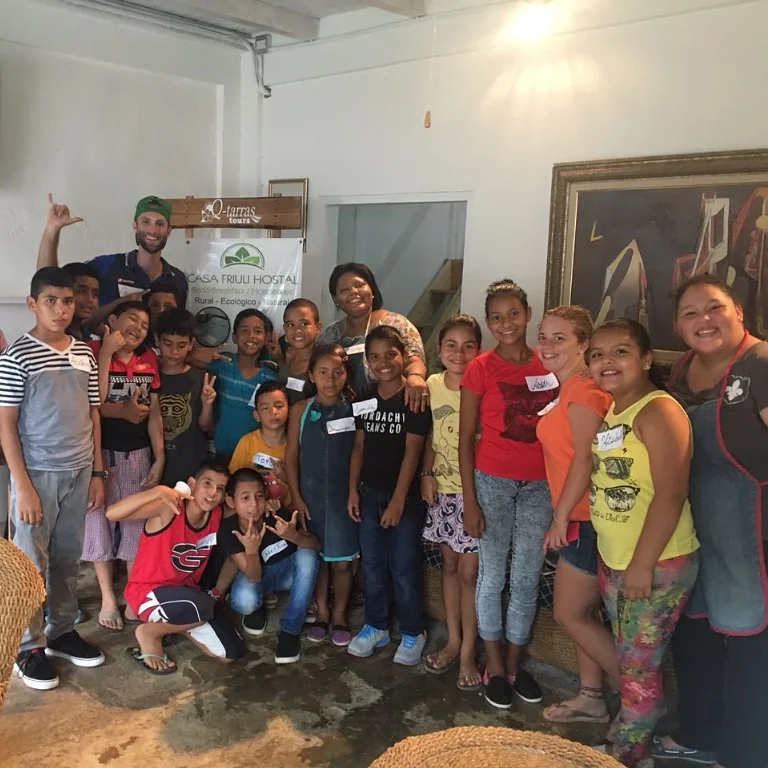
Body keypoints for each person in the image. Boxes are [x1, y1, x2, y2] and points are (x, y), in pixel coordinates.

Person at [653, 275, 768, 768]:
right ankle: (698, 733)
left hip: (751, 534)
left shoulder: (760, 364)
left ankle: (746, 754)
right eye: (690, 313)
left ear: (738, 311)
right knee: (694, 632)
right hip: (692, 527)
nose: (704, 320)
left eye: (714, 307)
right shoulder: (682, 369)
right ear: (679, 327)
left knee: (750, 644)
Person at [588, 318, 699, 768]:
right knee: (633, 664)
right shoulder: (617, 410)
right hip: (617, 559)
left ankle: (626, 757)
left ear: (646, 359)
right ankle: (629, 735)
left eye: (620, 352)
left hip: (655, 564)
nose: (607, 362)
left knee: (637, 671)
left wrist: (640, 564)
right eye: (597, 355)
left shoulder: (659, 411)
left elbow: (671, 495)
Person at [0, 267, 105, 690]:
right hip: (37, 477)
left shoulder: (84, 354)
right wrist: (22, 486)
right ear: (33, 304)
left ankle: (61, 631)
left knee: (67, 558)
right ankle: (26, 646)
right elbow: (6, 426)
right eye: (50, 301)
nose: (61, 310)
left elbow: (93, 413)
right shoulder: (18, 356)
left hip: (79, 472)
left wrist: (97, 471)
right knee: (29, 564)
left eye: (67, 302)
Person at [459, 279, 557, 709]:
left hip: (541, 484)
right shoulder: (480, 368)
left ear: (528, 314)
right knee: (492, 575)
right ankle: (494, 665)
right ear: (488, 322)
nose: (506, 323)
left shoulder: (548, 364)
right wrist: (470, 502)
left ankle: (516, 664)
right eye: (496, 317)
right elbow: (465, 438)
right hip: (492, 481)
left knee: (526, 577)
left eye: (513, 314)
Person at [536, 306, 619, 724]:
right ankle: (591, 696)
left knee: (569, 613)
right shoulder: (570, 388)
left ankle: (640, 699)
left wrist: (560, 516)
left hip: (586, 520)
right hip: (579, 518)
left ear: (583, 344)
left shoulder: (585, 392)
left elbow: (586, 460)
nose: (547, 346)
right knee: (584, 614)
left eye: (560, 338)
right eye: (543, 337)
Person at [108, 459, 245, 673]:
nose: (212, 493)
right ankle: (150, 633)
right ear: (192, 484)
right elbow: (112, 513)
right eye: (207, 484)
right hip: (149, 595)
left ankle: (176, 626)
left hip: (187, 599)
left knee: (230, 653)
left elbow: (245, 508)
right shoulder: (170, 508)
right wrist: (158, 492)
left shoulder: (217, 514)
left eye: (220, 489)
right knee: (206, 606)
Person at [347, 325, 432, 665]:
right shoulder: (363, 398)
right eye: (375, 357)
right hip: (369, 494)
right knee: (372, 563)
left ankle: (413, 631)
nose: (383, 362)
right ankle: (376, 625)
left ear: (404, 357)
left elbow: (413, 452)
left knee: (402, 565)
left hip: (405, 500)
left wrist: (398, 501)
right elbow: (358, 446)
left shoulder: (414, 397)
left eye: (391, 355)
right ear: (368, 362)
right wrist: (353, 491)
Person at [83, 301, 164, 632]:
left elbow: (154, 412)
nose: (138, 328)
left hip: (137, 453)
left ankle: (132, 593)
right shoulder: (91, 351)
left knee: (135, 525)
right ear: (113, 319)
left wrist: (160, 456)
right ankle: (107, 597)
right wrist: (106, 353)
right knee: (98, 523)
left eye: (145, 324)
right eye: (133, 319)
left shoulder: (149, 358)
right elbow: (93, 402)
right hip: (98, 454)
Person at [421, 314, 483, 690]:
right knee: (448, 566)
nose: (459, 354)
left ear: (479, 350)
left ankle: (469, 651)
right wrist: (427, 474)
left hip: (476, 493)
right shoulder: (431, 385)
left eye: (468, 346)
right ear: (440, 350)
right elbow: (432, 433)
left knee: (469, 574)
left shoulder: (485, 385)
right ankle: (454, 640)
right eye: (451, 346)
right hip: (443, 491)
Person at [286, 344, 358, 647]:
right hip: (311, 498)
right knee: (318, 558)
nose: (330, 379)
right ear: (312, 375)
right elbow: (291, 457)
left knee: (342, 561)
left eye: (337, 373)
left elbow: (358, 453)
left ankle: (340, 613)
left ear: (346, 375)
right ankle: (323, 612)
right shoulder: (301, 410)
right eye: (323, 373)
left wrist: (354, 492)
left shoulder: (354, 409)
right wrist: (297, 497)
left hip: (343, 499)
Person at [37, 193, 188, 327]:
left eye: (160, 224)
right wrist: (52, 230)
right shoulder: (106, 266)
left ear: (169, 230)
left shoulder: (178, 279)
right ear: (135, 226)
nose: (153, 230)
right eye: (146, 222)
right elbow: (48, 283)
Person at [218, 467, 320, 663]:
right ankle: (258, 605)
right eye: (245, 498)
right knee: (244, 601)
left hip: (288, 575)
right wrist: (251, 550)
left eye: (259, 496)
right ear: (231, 501)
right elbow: (253, 577)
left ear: (266, 495)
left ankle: (290, 630)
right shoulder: (228, 530)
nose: (254, 504)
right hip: (257, 578)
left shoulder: (276, 514)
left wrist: (294, 536)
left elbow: (316, 546)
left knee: (308, 555)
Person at [318, 263, 429, 410]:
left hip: (387, 411)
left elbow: (415, 359)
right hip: (340, 414)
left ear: (372, 289)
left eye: (359, 285)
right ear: (336, 298)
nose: (353, 292)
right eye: (344, 290)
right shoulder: (330, 335)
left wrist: (416, 376)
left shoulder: (396, 323)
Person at [208, 308, 278, 462]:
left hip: (255, 456)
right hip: (223, 454)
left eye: (258, 331)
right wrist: (208, 353)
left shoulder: (271, 377)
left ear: (266, 338)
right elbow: (188, 358)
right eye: (245, 330)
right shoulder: (222, 364)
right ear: (234, 337)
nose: (251, 336)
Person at [156, 309, 216, 488]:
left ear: (191, 344)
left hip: (190, 466)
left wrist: (207, 404)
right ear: (157, 340)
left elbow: (205, 426)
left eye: (181, 345)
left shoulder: (201, 378)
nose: (174, 352)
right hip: (153, 466)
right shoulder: (149, 376)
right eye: (168, 344)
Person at [228, 381, 291, 507]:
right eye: (265, 408)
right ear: (257, 415)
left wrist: (286, 477)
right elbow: (233, 484)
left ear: (290, 410)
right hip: (253, 512)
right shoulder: (247, 443)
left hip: (288, 512)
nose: (273, 411)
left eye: (279, 406)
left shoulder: (295, 445)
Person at [280, 298, 323, 405]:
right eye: (291, 325)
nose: (297, 330)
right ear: (284, 329)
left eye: (304, 324)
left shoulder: (323, 362)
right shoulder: (287, 358)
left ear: (318, 328)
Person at [61, 263, 101, 341]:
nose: (90, 299)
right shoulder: (55, 337)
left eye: (95, 294)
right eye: (82, 291)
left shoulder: (86, 335)